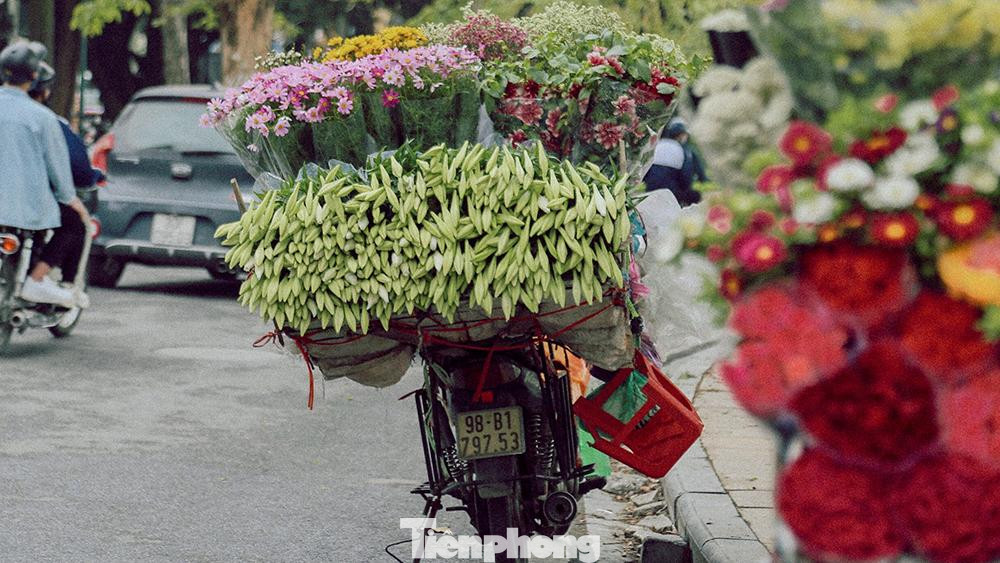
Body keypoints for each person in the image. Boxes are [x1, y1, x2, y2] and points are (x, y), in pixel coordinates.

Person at [0, 41, 90, 307]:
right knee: (75, 223)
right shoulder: (42, 118)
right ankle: (36, 280)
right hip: (27, 208)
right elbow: (58, 168)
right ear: (34, 77)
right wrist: (71, 199)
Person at [643, 120, 708, 206]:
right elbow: (686, 177)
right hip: (670, 192)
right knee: (695, 196)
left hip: (650, 189)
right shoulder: (683, 150)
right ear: (681, 135)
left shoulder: (658, 144)